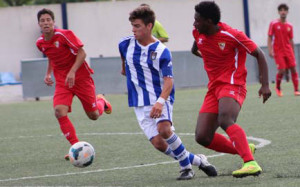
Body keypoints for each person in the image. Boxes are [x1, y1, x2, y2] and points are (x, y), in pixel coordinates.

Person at [118, 6, 217, 180]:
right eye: (132, 26)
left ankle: (186, 168)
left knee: (164, 129)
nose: (133, 30)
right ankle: (198, 161)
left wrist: (160, 102)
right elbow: (124, 63)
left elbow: (169, 80)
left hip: (160, 97)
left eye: (137, 26)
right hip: (138, 101)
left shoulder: (162, 51)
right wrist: (125, 69)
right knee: (158, 143)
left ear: (149, 26)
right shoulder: (125, 44)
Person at [191, 1, 271, 178]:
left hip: (233, 83)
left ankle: (250, 163)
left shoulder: (232, 34)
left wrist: (265, 84)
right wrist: (208, 57)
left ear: (209, 21)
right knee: (202, 136)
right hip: (213, 87)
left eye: (197, 20)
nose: (194, 23)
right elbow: (195, 47)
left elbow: (260, 54)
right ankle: (243, 148)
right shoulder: (198, 32)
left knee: (225, 118)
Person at [36, 8, 112, 160]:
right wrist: (48, 73)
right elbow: (51, 56)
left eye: (48, 20)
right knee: (59, 111)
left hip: (81, 78)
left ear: (53, 22)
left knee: (94, 116)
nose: (46, 23)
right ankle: (76, 147)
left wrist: (72, 71)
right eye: (42, 21)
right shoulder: (40, 43)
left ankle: (101, 101)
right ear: (39, 24)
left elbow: (82, 53)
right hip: (63, 82)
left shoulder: (64, 35)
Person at [267, 3, 300, 97]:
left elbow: (291, 40)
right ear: (278, 12)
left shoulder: (290, 26)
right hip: (278, 51)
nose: (283, 12)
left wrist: (293, 52)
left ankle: (296, 90)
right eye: (281, 10)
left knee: (293, 69)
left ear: (287, 12)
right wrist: (270, 50)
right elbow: (269, 37)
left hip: (288, 51)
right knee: (281, 70)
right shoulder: (273, 24)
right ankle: (277, 87)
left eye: (284, 10)